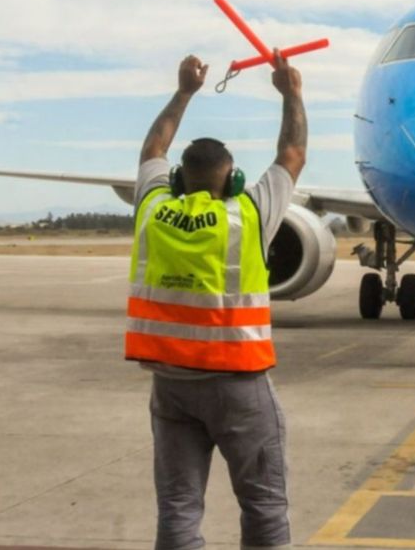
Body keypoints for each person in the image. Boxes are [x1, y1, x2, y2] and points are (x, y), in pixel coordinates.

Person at [126, 50, 307, 550]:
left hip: (171, 384)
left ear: (179, 180)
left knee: (179, 509)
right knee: (264, 507)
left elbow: (152, 151)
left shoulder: (153, 209)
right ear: (234, 179)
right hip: (238, 384)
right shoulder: (248, 214)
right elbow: (292, 154)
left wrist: (184, 91)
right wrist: (292, 94)